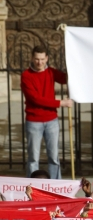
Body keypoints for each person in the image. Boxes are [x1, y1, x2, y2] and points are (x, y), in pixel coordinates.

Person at [21, 45, 73, 179]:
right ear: (32, 58)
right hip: (34, 121)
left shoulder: (51, 72)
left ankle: (56, 185)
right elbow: (36, 99)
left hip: (51, 120)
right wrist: (61, 103)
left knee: (54, 157)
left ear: (47, 58)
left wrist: (72, 63)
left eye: (42, 59)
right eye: (37, 59)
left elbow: (65, 78)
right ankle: (31, 187)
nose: (40, 62)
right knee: (33, 158)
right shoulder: (26, 76)